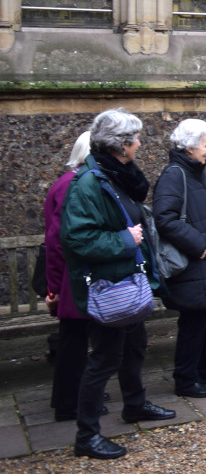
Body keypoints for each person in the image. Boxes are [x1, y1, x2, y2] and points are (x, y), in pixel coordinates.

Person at [59, 109, 176, 460]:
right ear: (122, 145)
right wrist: (125, 240)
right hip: (110, 288)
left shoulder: (117, 176)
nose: (141, 143)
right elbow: (77, 239)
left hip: (129, 279)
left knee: (135, 347)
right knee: (104, 360)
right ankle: (87, 435)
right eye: (136, 138)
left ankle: (135, 405)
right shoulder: (90, 183)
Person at [153, 119, 206, 399]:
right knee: (195, 323)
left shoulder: (195, 171)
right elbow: (164, 219)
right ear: (190, 148)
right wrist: (198, 244)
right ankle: (186, 379)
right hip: (196, 264)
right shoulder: (174, 174)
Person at [44, 131, 98, 423]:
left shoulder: (70, 182)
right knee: (74, 342)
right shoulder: (72, 185)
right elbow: (57, 241)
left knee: (76, 341)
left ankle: (78, 397)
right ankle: (68, 404)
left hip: (74, 278)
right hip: (74, 279)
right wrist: (54, 287)